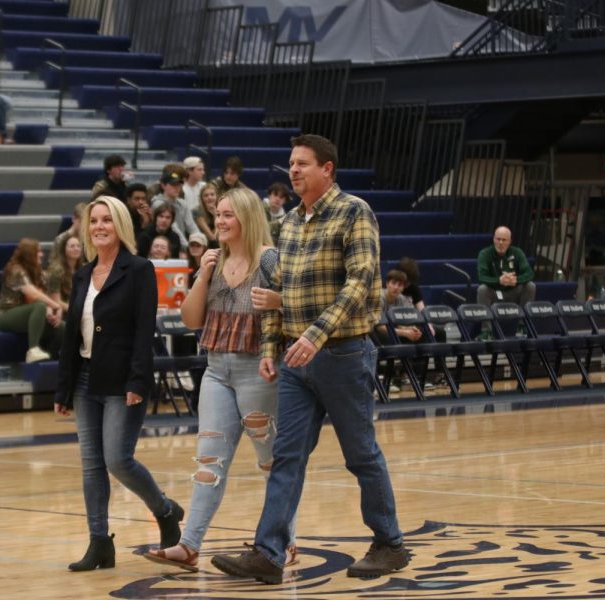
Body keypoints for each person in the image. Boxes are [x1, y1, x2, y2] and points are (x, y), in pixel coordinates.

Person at [211, 134, 409, 584]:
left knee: (360, 455)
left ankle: (390, 543)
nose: (293, 171)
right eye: (290, 164)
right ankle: (268, 554)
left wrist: (316, 334)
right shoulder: (290, 224)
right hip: (297, 358)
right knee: (286, 456)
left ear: (328, 169)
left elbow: (361, 281)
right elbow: (272, 296)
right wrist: (268, 347)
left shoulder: (354, 212)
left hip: (342, 352)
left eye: (302, 164)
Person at [144, 186, 298, 572]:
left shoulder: (269, 259)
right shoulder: (214, 261)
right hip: (215, 370)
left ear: (247, 217)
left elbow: (301, 300)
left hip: (258, 370)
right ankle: (189, 544)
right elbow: (191, 320)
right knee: (209, 460)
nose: (220, 222)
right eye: (218, 215)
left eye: (228, 215)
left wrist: (280, 301)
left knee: (270, 463)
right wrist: (202, 276)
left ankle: (285, 540)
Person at [53, 196, 184, 572]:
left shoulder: (139, 269)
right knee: (91, 465)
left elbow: (145, 331)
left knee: (117, 460)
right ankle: (99, 543)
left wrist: (139, 380)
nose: (99, 226)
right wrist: (63, 389)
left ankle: (164, 510)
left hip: (122, 378)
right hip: (84, 379)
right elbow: (71, 336)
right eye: (93, 220)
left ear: (120, 225)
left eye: (106, 219)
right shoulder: (82, 274)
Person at [0, 238, 64, 363]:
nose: (42, 254)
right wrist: (56, 306)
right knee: (39, 306)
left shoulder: (37, 272)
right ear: (29, 254)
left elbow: (42, 294)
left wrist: (49, 313)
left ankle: (50, 358)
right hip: (6, 315)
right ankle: (33, 350)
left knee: (62, 327)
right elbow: (33, 293)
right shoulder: (15, 270)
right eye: (38, 252)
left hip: (28, 313)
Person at [476, 225, 536, 309]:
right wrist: (499, 280)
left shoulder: (517, 252)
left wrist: (516, 280)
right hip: (494, 292)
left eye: (504, 240)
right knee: (482, 289)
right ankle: (486, 322)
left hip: (513, 291)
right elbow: (482, 277)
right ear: (493, 239)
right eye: (498, 239)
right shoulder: (485, 253)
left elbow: (529, 273)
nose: (501, 243)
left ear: (510, 241)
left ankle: (523, 321)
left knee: (530, 286)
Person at [151, 171, 198, 248]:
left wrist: (200, 242)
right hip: (164, 244)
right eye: (173, 185)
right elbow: (174, 227)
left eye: (179, 185)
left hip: (181, 244)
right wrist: (187, 247)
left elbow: (191, 226)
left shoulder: (183, 203)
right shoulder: (158, 204)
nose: (177, 188)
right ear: (163, 186)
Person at [46, 234, 84, 313]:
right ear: (64, 250)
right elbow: (55, 301)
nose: (76, 249)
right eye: (72, 246)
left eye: (78, 246)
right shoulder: (56, 271)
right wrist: (79, 311)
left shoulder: (83, 269)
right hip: (61, 311)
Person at [193, 182, 218, 247]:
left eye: (212, 195)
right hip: (204, 244)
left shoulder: (221, 209)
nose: (209, 197)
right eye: (206, 195)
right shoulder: (198, 211)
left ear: (216, 196)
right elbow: (212, 237)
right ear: (202, 198)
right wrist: (215, 215)